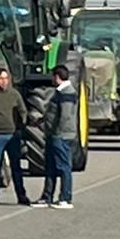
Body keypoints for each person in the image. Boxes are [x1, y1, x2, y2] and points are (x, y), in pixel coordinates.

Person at [38, 65, 79, 209]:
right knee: (50, 167)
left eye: (52, 76)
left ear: (57, 77)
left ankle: (65, 198)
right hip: (53, 134)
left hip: (61, 135)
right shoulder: (59, 92)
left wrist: (57, 133)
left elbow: (65, 116)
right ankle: (47, 196)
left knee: (63, 167)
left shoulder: (67, 93)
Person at [0, 68, 29, 206]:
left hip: (12, 136)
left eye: (6, 78)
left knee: (16, 167)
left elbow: (23, 112)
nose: (3, 81)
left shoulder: (14, 94)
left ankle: (21, 195)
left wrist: (21, 128)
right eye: (1, 78)